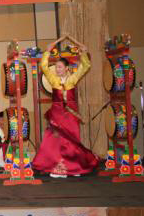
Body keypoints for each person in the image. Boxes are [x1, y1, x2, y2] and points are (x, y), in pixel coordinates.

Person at [33, 35, 99, 178]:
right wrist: (47, 51)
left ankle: (75, 168)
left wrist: (83, 52)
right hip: (57, 112)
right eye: (56, 67)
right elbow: (44, 66)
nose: (57, 69)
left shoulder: (73, 79)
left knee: (72, 141)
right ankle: (58, 168)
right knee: (56, 140)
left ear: (67, 68)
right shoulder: (53, 79)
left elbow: (86, 66)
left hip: (70, 114)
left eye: (60, 67)